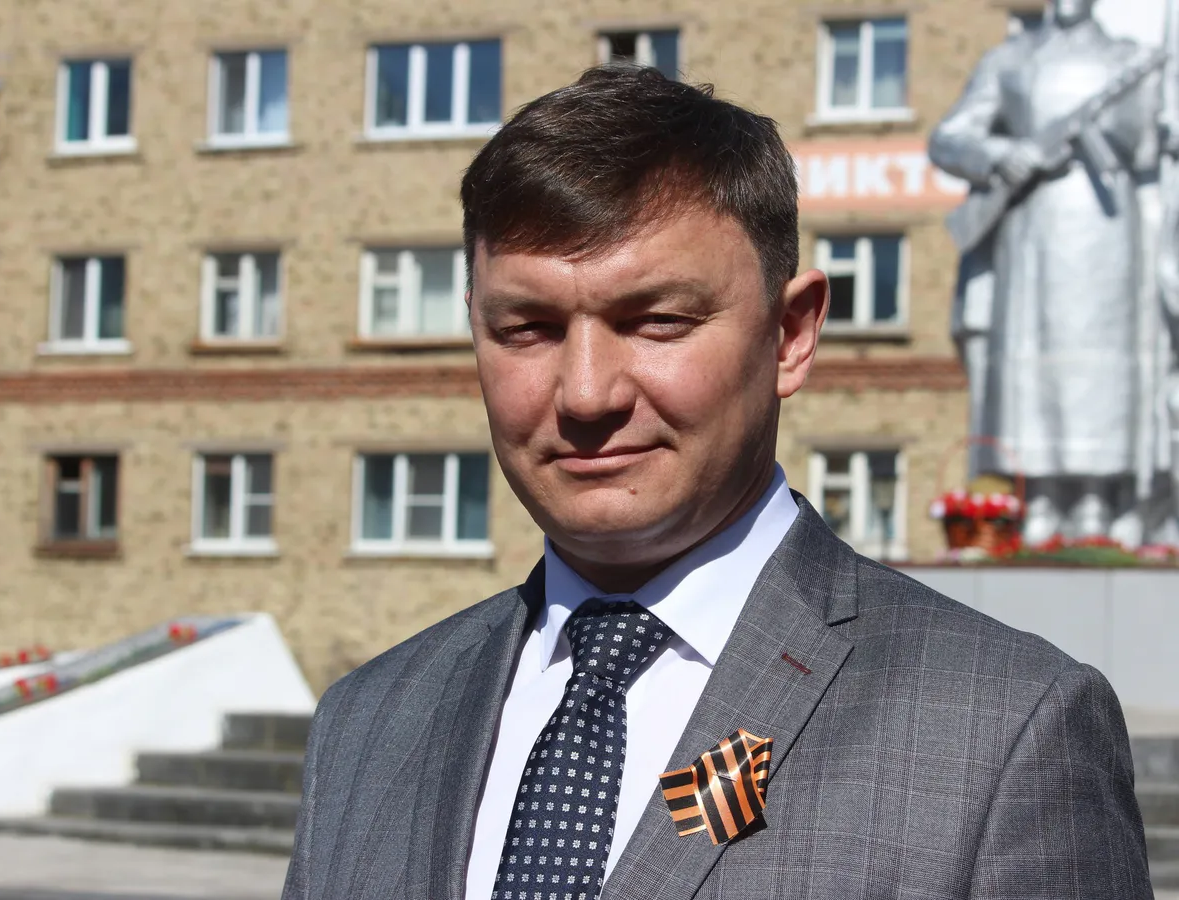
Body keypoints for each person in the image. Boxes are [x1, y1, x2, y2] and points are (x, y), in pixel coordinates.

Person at [282, 66, 1150, 900]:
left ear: (791, 335)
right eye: (529, 328)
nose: (586, 394)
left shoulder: (1002, 730)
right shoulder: (369, 722)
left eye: (656, 322)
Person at [929, 0, 1164, 546]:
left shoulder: (1129, 59)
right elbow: (949, 138)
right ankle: (1037, 498)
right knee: (1032, 362)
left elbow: (1147, 147)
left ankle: (1096, 500)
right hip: (1032, 226)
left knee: (1105, 366)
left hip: (1110, 229)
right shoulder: (1009, 59)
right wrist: (1003, 153)